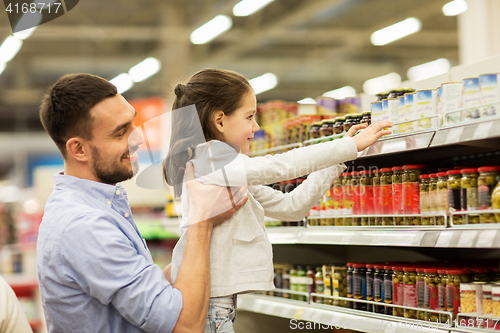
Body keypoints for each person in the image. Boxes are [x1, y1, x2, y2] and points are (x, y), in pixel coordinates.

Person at [163, 68, 392, 333]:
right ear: (220, 121)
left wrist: (337, 160)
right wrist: (346, 146)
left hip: (221, 303)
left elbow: (291, 207)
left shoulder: (228, 172)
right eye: (250, 117)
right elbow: (279, 166)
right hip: (212, 305)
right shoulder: (208, 158)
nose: (256, 127)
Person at [36, 73, 247, 333]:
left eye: (133, 123)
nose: (138, 138)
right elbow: (185, 326)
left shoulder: (96, 206)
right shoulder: (85, 226)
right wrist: (201, 222)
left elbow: (138, 294)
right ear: (78, 149)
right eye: (120, 132)